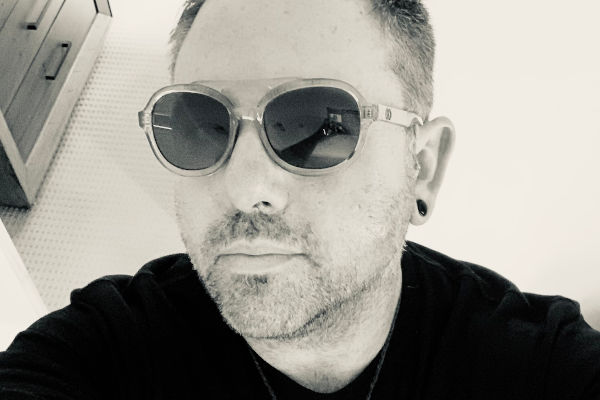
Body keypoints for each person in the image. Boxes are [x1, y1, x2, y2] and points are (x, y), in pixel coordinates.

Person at [1, 0, 600, 398]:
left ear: (421, 167)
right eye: (202, 125)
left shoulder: (536, 362)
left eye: (320, 125)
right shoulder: (105, 348)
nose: (246, 189)